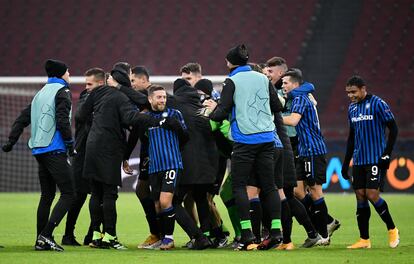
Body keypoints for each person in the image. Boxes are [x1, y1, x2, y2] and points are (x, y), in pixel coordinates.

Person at [204, 44, 283, 250]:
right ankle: (276, 231)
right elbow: (277, 106)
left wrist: (211, 113)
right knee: (269, 186)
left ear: (229, 62)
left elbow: (223, 111)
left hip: (244, 141)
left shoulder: (232, 80)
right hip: (267, 138)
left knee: (239, 187)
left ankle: (247, 233)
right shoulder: (262, 79)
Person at [77, 66, 159, 250]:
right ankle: (110, 237)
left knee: (96, 193)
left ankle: (97, 235)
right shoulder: (121, 97)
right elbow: (131, 119)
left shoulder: (97, 94)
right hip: (109, 148)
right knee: (109, 194)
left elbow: (80, 115)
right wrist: (151, 118)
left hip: (92, 145)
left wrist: (99, 123)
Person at [2, 59, 75, 251]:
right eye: (68, 71)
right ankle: (47, 234)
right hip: (55, 148)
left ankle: (40, 240)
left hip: (39, 150)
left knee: (47, 195)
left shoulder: (40, 93)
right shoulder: (63, 91)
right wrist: (70, 144)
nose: (69, 75)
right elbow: (62, 120)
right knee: (69, 193)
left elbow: (21, 119)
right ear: (61, 74)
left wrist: (11, 140)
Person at [342, 75, 399, 249]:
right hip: (359, 159)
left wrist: (387, 154)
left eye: (353, 92)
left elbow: (394, 128)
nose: (351, 96)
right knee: (360, 195)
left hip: (375, 158)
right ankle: (364, 240)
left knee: (372, 194)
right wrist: (346, 163)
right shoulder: (352, 108)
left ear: (363, 88)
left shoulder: (378, 104)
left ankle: (392, 229)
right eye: (348, 93)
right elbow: (352, 138)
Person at [282, 69, 331, 245]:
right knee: (297, 190)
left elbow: (293, 121)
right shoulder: (303, 96)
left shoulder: (301, 98)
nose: (283, 86)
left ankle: (324, 234)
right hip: (304, 150)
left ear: (295, 84)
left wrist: (270, 117)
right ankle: (326, 223)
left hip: (313, 150)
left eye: (285, 83)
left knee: (316, 191)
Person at [143, 85, 188, 250]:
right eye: (159, 97)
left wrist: (176, 126)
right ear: (150, 99)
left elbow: (185, 137)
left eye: (164, 97)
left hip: (172, 164)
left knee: (165, 201)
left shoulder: (175, 114)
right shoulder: (146, 117)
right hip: (155, 167)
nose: (162, 100)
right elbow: (144, 139)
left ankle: (169, 239)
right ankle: (162, 238)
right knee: (156, 205)